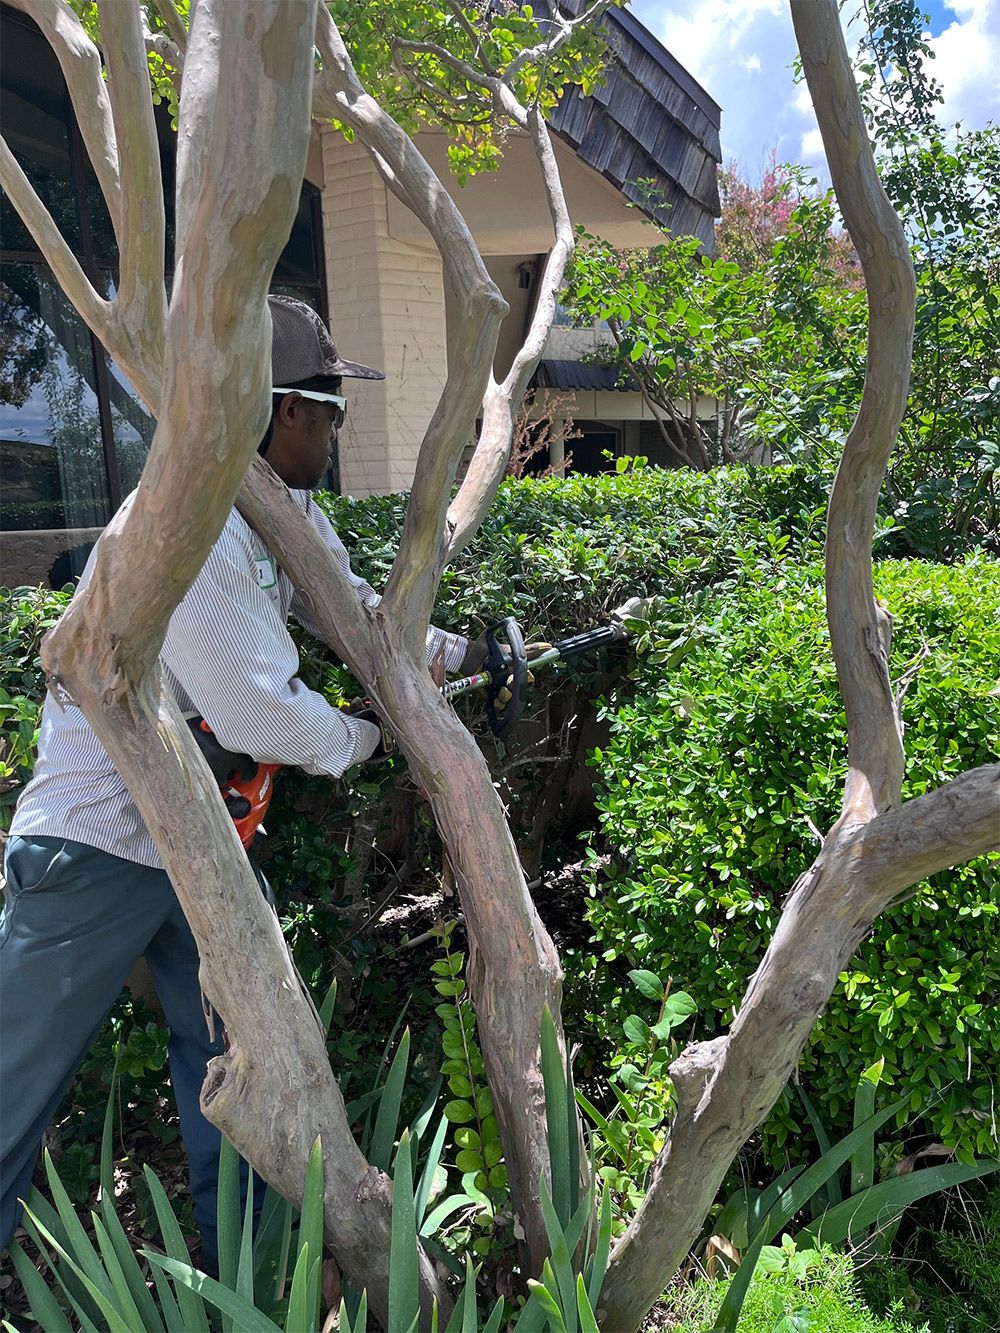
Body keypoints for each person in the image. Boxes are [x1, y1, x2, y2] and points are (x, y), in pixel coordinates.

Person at [0, 296, 485, 1271]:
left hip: (203, 844)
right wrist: (364, 741)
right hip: (97, 845)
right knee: (11, 1081)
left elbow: (350, 612)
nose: (340, 434)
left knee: (244, 1073)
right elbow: (258, 710)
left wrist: (465, 655)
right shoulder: (190, 520)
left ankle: (250, 1284)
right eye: (331, 413)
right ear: (283, 413)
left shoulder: (279, 508)